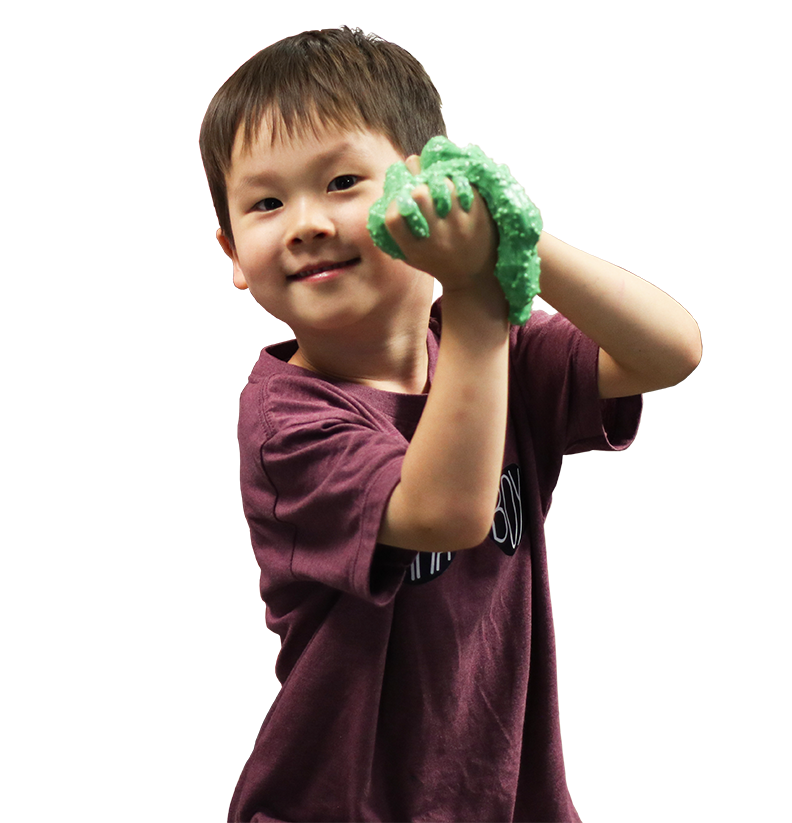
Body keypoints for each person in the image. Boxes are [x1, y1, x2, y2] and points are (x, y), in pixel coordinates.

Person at [199, 27, 702, 823]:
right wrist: (474, 294)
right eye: (266, 202)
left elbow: (670, 348)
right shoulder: (288, 417)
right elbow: (449, 511)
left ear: (422, 186)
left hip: (503, 796)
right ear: (231, 250)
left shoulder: (498, 356)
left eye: (340, 181)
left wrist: (513, 239)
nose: (303, 222)